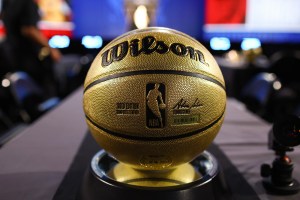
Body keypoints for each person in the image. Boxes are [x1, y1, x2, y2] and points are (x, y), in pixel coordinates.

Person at [2, 0, 62, 96]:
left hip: (12, 55)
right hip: (29, 58)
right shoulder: (28, 3)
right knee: (40, 93)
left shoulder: (9, 2)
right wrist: (51, 49)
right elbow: (29, 30)